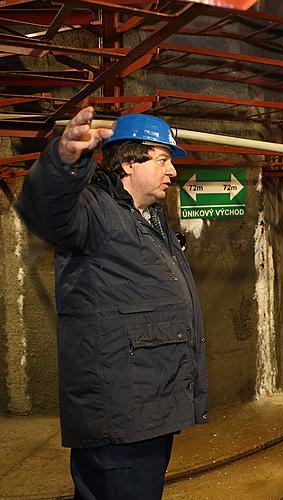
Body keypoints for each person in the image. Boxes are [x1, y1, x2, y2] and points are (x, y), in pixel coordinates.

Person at [16, 108, 208, 499]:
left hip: (147, 408)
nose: (172, 172)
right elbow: (45, 209)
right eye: (163, 159)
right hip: (120, 412)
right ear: (128, 162)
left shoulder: (148, 218)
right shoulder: (94, 212)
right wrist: (64, 162)